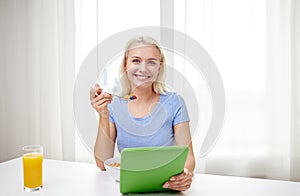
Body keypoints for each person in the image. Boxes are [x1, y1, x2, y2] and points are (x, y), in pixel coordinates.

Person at [90, 36, 195, 191]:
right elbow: (102, 163)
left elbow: (188, 158)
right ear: (125, 65)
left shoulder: (175, 102)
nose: (143, 69)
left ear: (159, 68)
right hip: (127, 187)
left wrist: (184, 175)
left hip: (167, 186)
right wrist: (103, 115)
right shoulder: (114, 104)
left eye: (151, 62)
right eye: (136, 61)